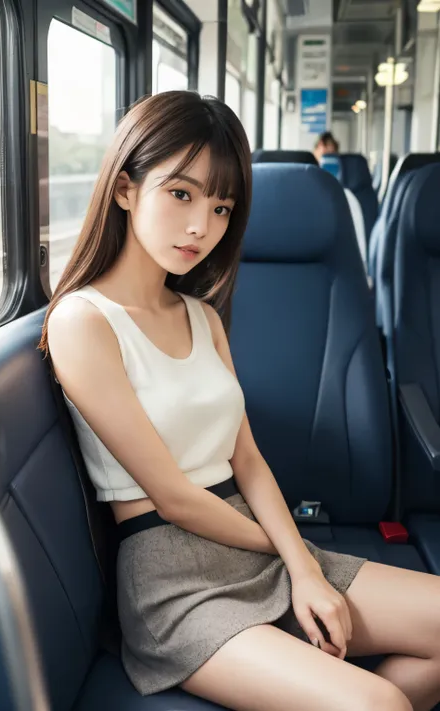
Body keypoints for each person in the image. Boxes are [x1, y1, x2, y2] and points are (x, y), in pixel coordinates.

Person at [40, 91, 440, 711]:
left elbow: (247, 461)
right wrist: (294, 553)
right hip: (175, 578)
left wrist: (305, 569)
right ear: (124, 189)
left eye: (221, 206)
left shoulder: (202, 316)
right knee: (377, 704)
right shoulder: (83, 322)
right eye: (182, 194)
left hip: (253, 537)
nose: (203, 225)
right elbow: (173, 497)